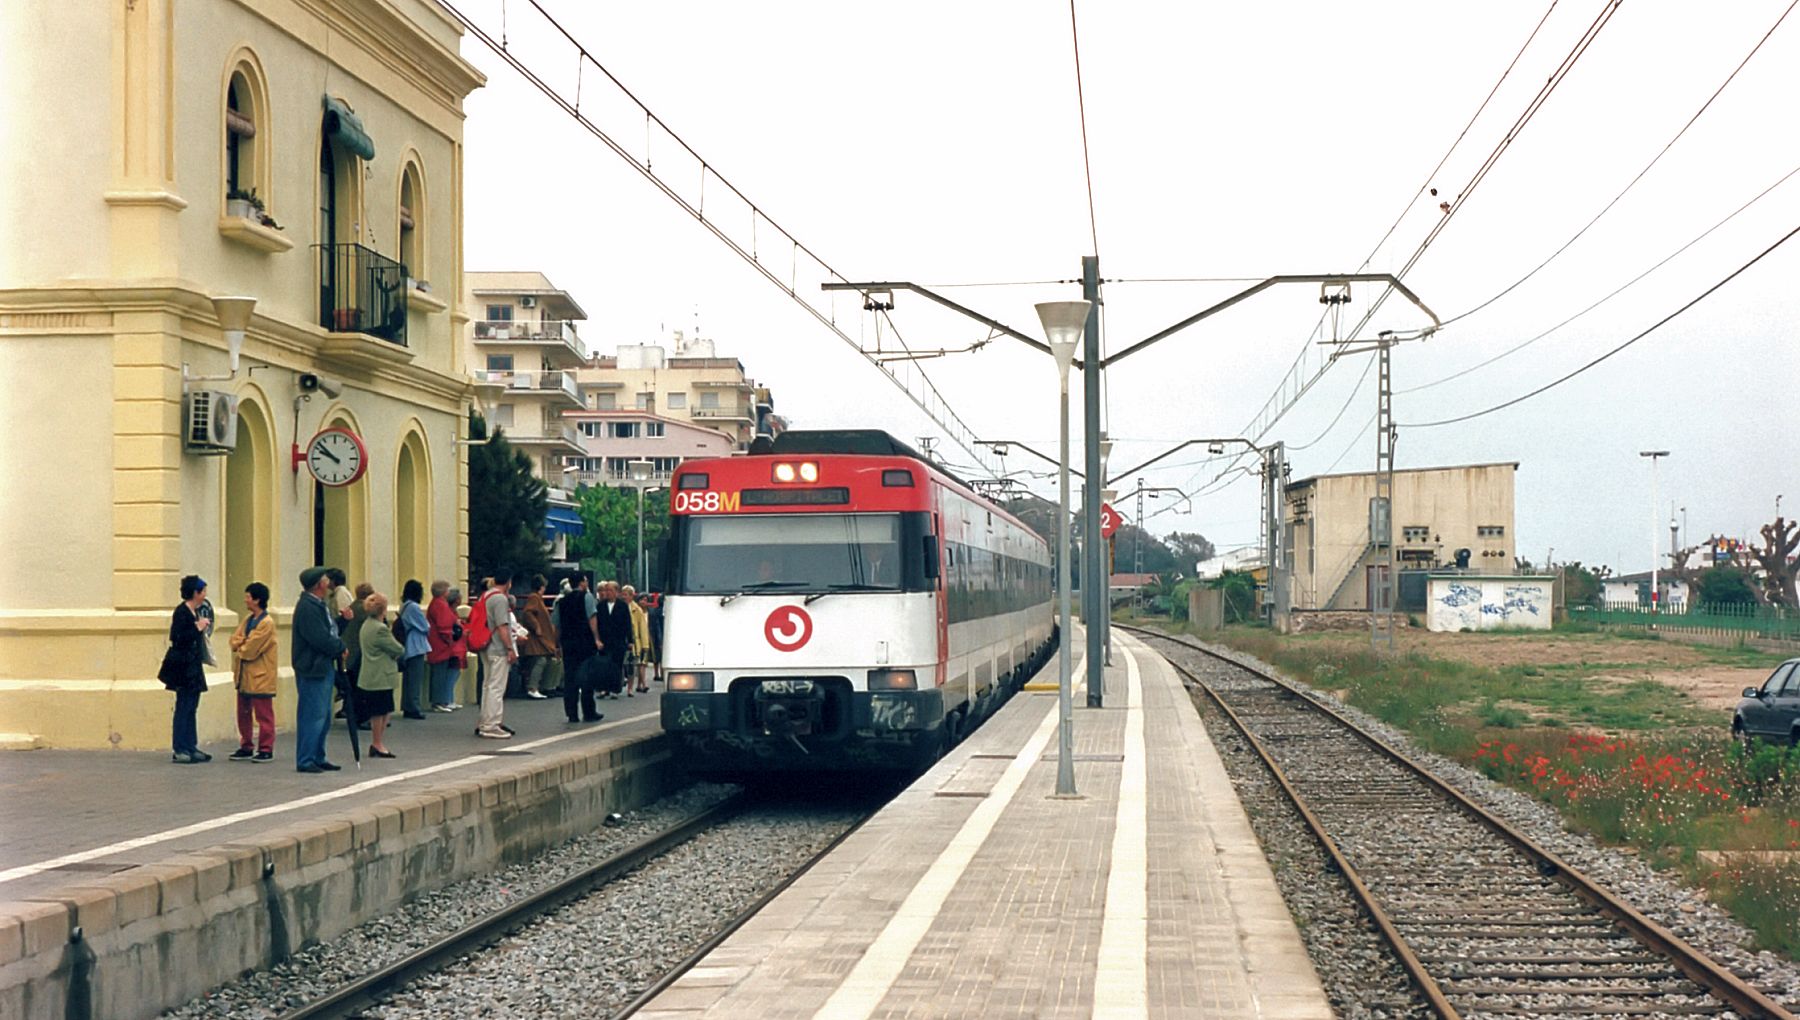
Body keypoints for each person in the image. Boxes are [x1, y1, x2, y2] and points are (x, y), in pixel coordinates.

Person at [293, 567, 346, 773]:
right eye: (325, 579)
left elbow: (329, 631)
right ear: (318, 584)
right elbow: (319, 637)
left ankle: (318, 755)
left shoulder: (317, 605)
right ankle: (306, 758)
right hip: (312, 668)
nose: (328, 582)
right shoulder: (308, 607)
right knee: (312, 715)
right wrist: (340, 647)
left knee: (323, 715)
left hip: (322, 666)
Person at [157, 575, 212, 764]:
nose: (205, 595)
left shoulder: (194, 612)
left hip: (192, 666)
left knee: (191, 706)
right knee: (183, 706)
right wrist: (197, 627)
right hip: (183, 667)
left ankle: (190, 745)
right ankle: (180, 747)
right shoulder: (182, 612)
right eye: (203, 591)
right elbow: (178, 636)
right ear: (195, 593)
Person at [227, 582, 278, 762]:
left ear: (256, 600)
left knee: (263, 714)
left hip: (260, 676)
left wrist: (241, 645)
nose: (245, 600)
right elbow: (234, 640)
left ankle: (266, 747)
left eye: (248, 596)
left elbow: (250, 650)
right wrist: (242, 643)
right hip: (244, 676)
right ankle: (246, 745)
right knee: (244, 712)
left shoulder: (266, 623)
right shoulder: (248, 620)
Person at [358, 592, 404, 759]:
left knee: (381, 710)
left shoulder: (366, 625)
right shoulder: (380, 629)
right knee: (381, 711)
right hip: (381, 676)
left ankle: (377, 743)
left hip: (370, 674)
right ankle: (377, 743)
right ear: (383, 610)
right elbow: (398, 648)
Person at [474, 571, 518, 739]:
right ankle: (491, 725)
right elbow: (502, 626)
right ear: (509, 582)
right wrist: (510, 648)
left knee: (487, 685)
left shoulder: (485, 595)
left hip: (485, 646)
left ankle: (484, 721)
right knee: (496, 687)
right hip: (497, 647)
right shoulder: (500, 599)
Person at [556, 572, 602, 723]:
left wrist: (557, 644)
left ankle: (571, 713)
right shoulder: (587, 597)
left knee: (570, 678)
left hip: (568, 643)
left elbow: (556, 625)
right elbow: (592, 618)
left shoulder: (561, 602)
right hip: (585, 642)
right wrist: (596, 639)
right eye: (586, 580)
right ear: (582, 583)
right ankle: (589, 711)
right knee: (587, 677)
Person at [425, 580, 465, 712]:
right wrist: (449, 639)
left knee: (441, 673)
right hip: (440, 645)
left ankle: (442, 701)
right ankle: (439, 702)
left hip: (438, 644)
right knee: (439, 674)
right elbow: (444, 626)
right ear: (443, 591)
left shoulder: (437, 604)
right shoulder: (440, 605)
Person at [518, 575, 557, 700]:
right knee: (540, 661)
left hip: (539, 636)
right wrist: (537, 627)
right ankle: (533, 687)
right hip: (537, 637)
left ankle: (535, 687)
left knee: (541, 660)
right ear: (541, 586)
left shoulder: (536, 598)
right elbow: (528, 613)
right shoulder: (535, 598)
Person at [396, 579, 430, 719]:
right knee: (415, 678)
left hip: (408, 645)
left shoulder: (404, 606)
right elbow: (425, 626)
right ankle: (413, 707)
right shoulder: (414, 607)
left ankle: (407, 705)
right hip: (416, 645)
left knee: (409, 678)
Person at [592, 580, 632, 700]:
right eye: (606, 590)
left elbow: (627, 624)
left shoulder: (622, 606)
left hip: (618, 641)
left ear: (616, 592)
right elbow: (597, 624)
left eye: (610, 590)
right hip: (605, 640)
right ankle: (604, 689)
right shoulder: (600, 605)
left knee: (616, 665)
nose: (607, 593)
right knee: (604, 665)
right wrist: (597, 639)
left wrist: (630, 641)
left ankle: (615, 689)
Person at [622, 584, 650, 694]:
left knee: (631, 666)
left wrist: (645, 645)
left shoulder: (637, 610)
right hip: (621, 640)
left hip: (633, 642)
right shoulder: (619, 606)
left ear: (631, 596)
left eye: (626, 595)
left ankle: (630, 688)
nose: (623, 597)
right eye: (622, 594)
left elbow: (642, 628)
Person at [643, 593, 664, 684]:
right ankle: (662, 674)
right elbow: (658, 626)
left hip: (654, 634)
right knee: (661, 655)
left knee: (656, 656)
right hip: (660, 634)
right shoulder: (662, 612)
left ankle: (656, 674)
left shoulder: (654, 611)